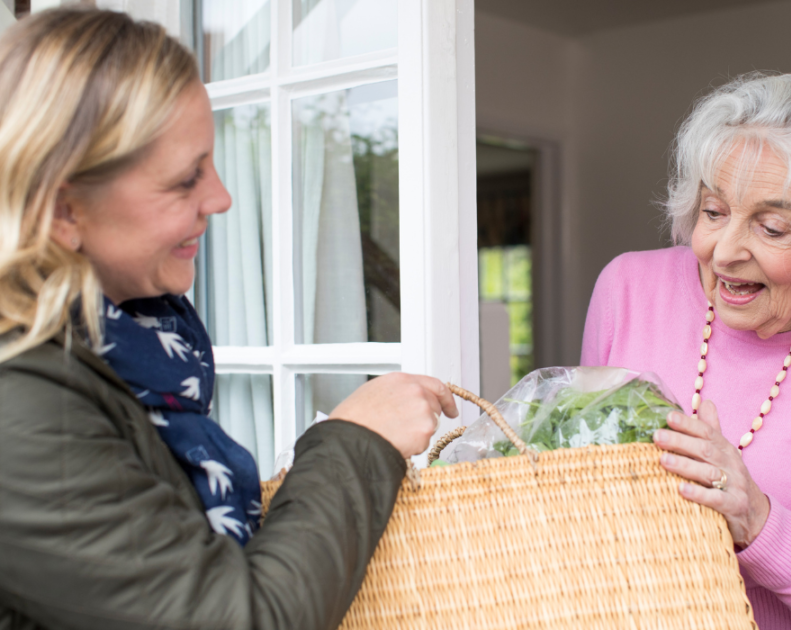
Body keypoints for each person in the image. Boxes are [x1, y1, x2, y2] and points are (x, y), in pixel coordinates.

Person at [0, 7, 457, 630]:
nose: (220, 197)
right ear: (63, 212)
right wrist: (357, 440)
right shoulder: (21, 408)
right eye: (185, 179)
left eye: (211, 162)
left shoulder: (138, 351)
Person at [581, 72, 791, 629]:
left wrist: (756, 519)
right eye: (713, 211)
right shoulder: (626, 289)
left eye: (772, 227)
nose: (724, 252)